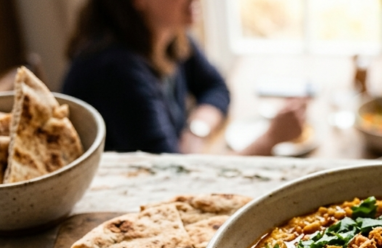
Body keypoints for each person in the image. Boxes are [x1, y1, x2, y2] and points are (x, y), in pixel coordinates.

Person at [63, 0, 305, 155]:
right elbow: (179, 179)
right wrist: (270, 139)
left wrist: (196, 130)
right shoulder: (117, 72)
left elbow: (216, 86)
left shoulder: (169, 34)